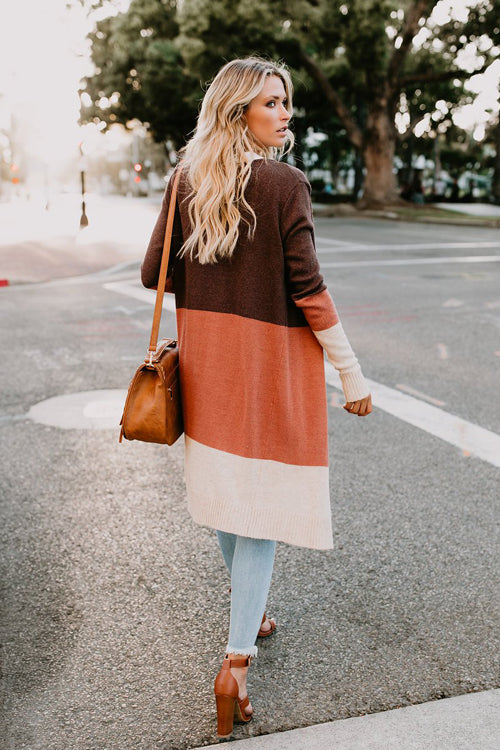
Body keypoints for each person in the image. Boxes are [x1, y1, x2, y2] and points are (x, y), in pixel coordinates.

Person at [141, 56, 372, 740]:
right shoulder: (284, 185)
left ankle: (253, 612)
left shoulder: (188, 179)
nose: (285, 113)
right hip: (267, 371)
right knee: (261, 512)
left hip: (209, 369)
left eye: (286, 102)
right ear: (238, 110)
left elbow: (156, 272)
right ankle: (234, 664)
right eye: (271, 102)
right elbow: (309, 290)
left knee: (225, 497)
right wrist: (351, 375)